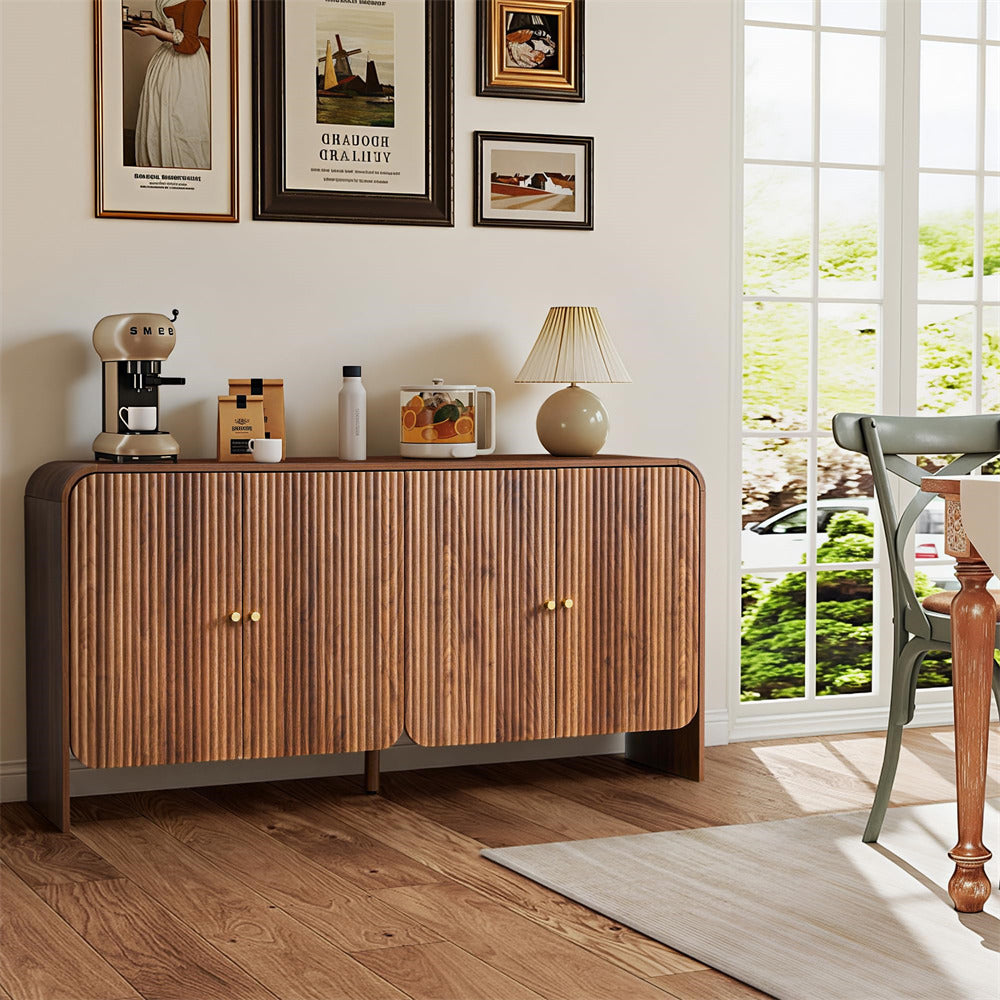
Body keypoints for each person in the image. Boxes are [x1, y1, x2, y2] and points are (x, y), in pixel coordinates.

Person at [129, 0, 211, 169]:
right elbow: (171, 33)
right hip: (166, 60)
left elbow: (190, 43)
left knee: (182, 116)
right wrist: (153, 27)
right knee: (159, 117)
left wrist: (154, 31)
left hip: (186, 66)